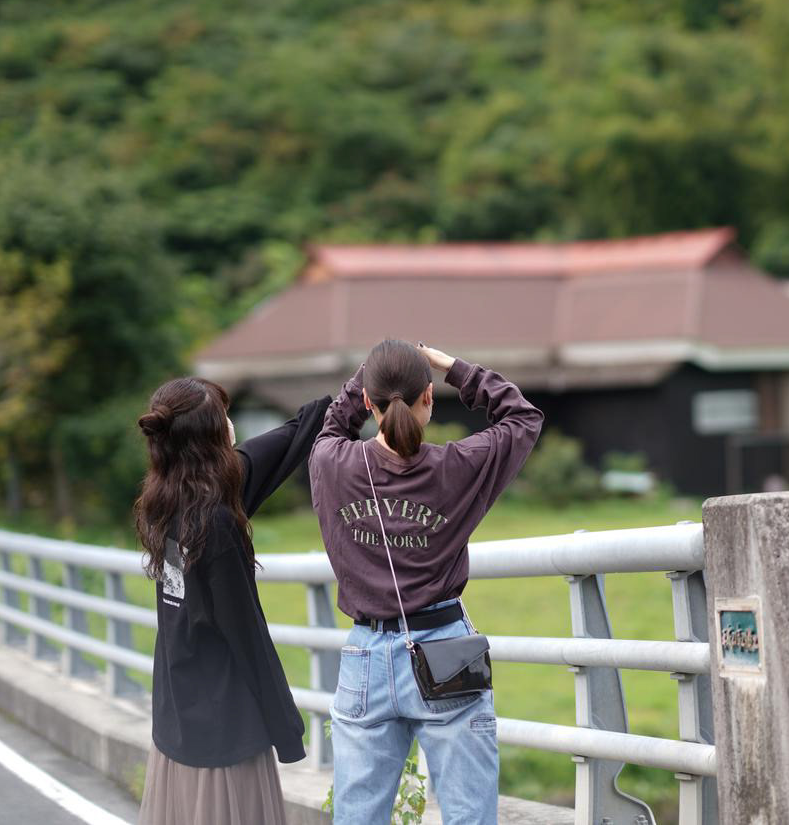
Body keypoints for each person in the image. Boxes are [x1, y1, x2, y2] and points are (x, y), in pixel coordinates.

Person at [309, 339, 543, 825]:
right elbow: (522, 419)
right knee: (468, 816)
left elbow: (333, 424)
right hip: (445, 653)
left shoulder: (331, 463)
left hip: (365, 655)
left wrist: (369, 373)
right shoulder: (457, 466)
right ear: (429, 397)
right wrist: (452, 366)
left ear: (368, 401)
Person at [133, 376, 332, 825]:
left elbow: (271, 449)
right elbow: (248, 636)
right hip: (224, 730)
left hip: (180, 713)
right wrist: (287, 729)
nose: (231, 423)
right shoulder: (216, 523)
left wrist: (337, 408)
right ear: (212, 435)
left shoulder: (166, 502)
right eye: (224, 415)